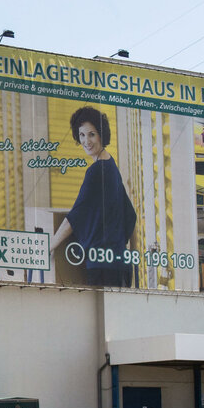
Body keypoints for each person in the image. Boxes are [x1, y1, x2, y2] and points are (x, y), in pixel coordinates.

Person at [50, 106, 137, 287]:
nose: (86, 141)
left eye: (91, 134)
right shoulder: (110, 165)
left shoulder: (96, 171)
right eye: (82, 135)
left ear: (101, 135)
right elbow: (130, 215)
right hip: (120, 264)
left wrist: (49, 246)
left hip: (103, 266)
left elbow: (74, 218)